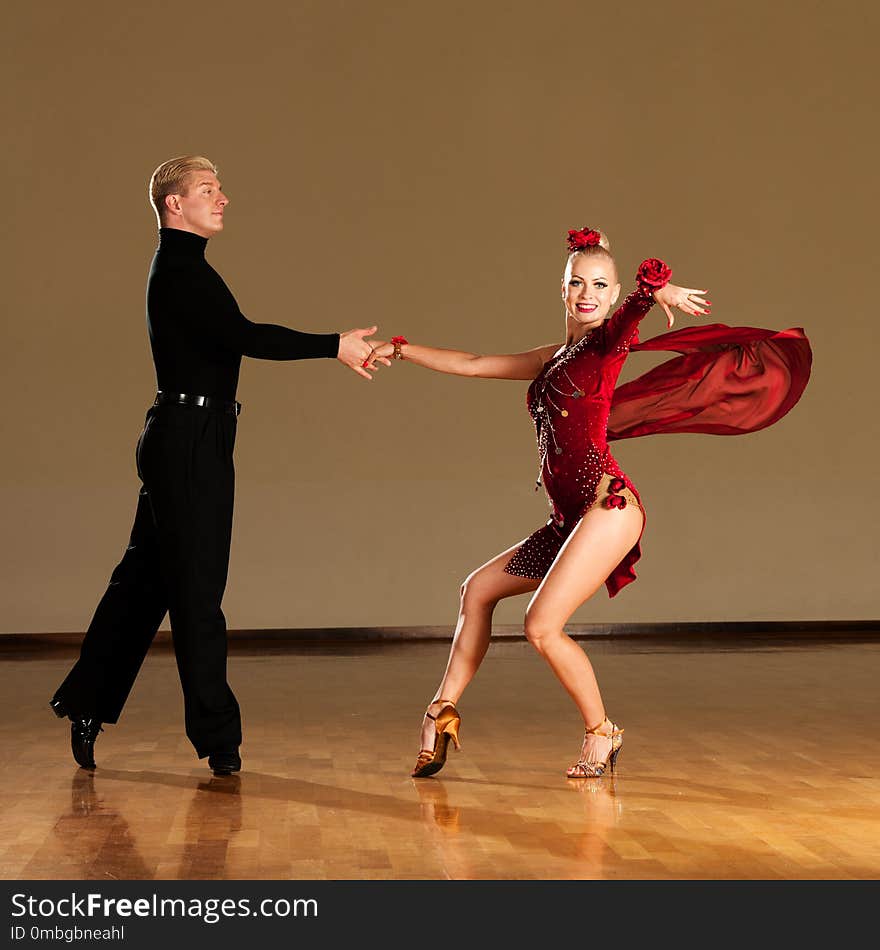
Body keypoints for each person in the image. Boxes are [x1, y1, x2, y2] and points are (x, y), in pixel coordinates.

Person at [368, 226, 810, 779]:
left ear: (612, 290)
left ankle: (603, 733)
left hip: (610, 509)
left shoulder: (607, 343)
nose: (588, 294)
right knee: (477, 591)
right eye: (578, 282)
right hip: (568, 520)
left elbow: (628, 319)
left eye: (600, 285)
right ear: (562, 288)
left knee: (540, 626)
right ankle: (440, 711)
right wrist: (403, 351)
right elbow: (475, 362)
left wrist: (654, 294)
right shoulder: (555, 355)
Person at [49, 155, 388, 776]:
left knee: (145, 581)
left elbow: (233, 335)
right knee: (196, 594)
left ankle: (87, 705)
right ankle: (218, 741)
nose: (223, 198)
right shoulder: (180, 272)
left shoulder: (188, 268)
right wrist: (333, 345)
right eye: (208, 190)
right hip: (189, 440)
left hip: (189, 435)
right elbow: (247, 337)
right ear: (174, 204)